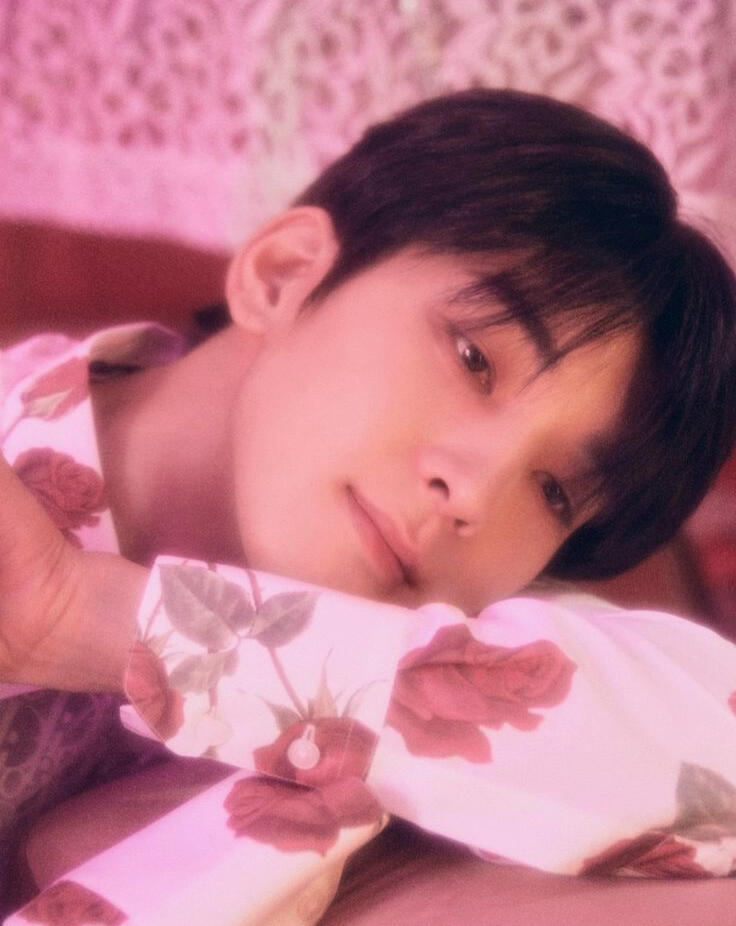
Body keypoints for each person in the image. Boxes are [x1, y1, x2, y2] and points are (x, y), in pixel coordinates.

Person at [2, 89, 736, 923]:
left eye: (554, 491)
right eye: (474, 359)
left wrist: (99, 621)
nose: (475, 493)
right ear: (284, 276)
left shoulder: (449, 624)